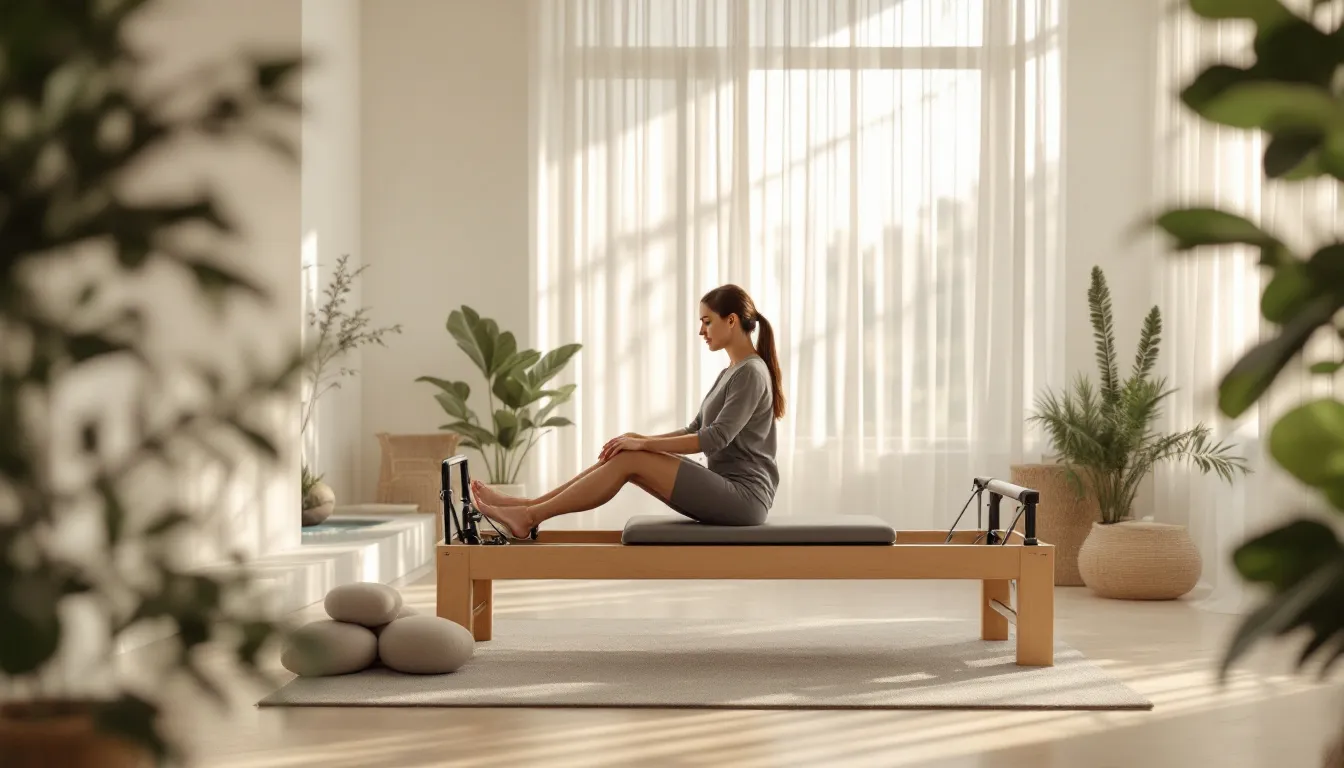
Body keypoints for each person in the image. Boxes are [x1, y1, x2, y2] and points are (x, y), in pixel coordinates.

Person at [471, 284, 786, 538]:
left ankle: (527, 515)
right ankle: (526, 507)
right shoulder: (733, 370)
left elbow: (714, 438)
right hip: (727, 489)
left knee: (632, 456)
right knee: (624, 453)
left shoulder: (751, 373)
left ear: (731, 320)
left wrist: (644, 445)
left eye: (707, 322)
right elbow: (695, 428)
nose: (702, 331)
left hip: (745, 499)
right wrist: (640, 438)